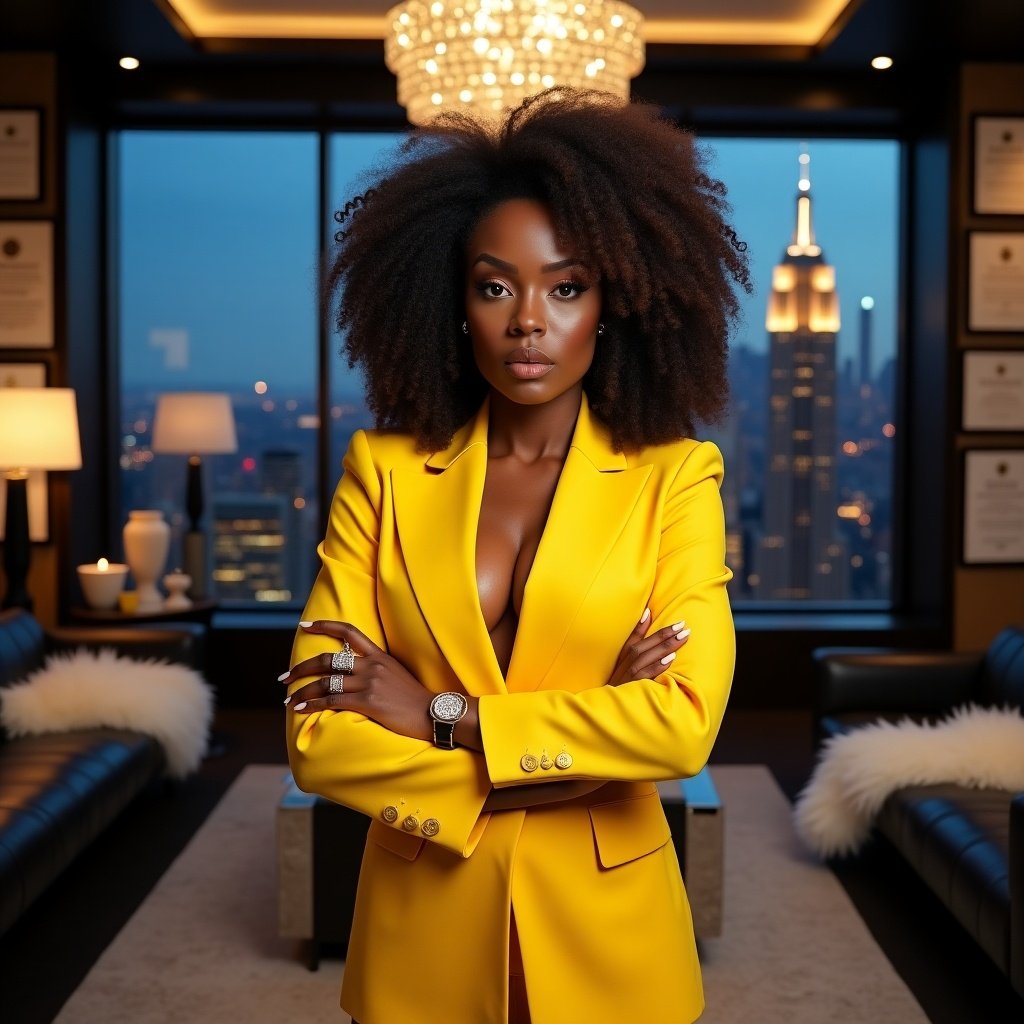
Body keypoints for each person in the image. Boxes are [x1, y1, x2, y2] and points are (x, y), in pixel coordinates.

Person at [281, 87, 748, 1024]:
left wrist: (440, 715)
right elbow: (317, 736)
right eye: (496, 286)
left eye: (565, 287)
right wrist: (585, 747)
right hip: (425, 920)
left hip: (609, 928)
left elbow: (682, 727)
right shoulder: (383, 471)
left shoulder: (675, 477)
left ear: (613, 302)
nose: (528, 320)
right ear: (452, 303)